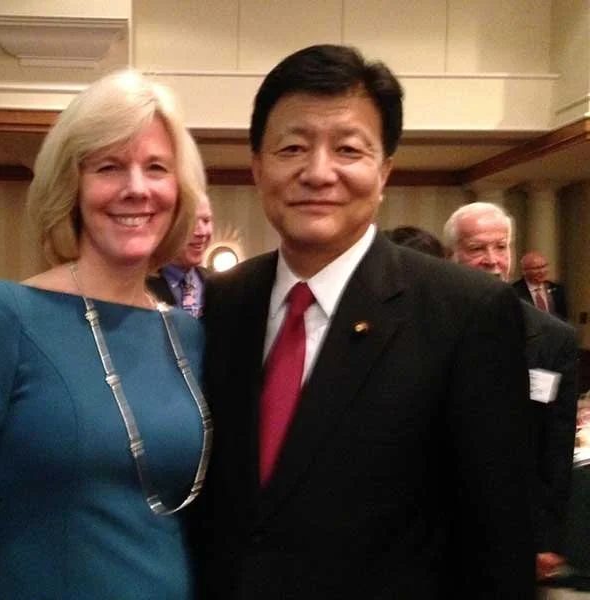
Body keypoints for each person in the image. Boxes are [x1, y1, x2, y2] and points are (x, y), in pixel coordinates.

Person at [196, 44, 535, 599]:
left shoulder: (465, 311)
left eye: (348, 149)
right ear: (258, 167)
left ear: (384, 173)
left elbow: (499, 539)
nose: (317, 172)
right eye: (292, 148)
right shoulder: (224, 301)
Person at [0, 69, 212, 600]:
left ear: (178, 190)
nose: (137, 188)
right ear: (72, 186)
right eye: (109, 166)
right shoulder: (1, 318)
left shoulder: (185, 334)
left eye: (156, 167)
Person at [443, 202, 579, 585]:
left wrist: (546, 537)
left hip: (512, 522)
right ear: (451, 255)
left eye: (501, 247)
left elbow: (556, 446)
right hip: (432, 520)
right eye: (476, 248)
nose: (492, 259)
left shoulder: (553, 338)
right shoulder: (421, 324)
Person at [148, 194, 213, 316]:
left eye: (206, 221)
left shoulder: (218, 285)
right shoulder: (139, 287)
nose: (202, 232)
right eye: (190, 222)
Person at [513, 250, 569, 320]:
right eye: (536, 268)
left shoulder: (557, 289)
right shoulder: (514, 291)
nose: (542, 271)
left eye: (544, 266)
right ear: (524, 271)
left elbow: (563, 318)